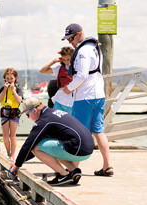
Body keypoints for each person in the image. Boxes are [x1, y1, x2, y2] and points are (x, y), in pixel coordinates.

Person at [61, 23, 114, 176]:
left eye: (71, 38)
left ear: (79, 34)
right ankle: (107, 166)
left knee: (78, 133)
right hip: (98, 94)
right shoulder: (94, 47)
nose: (70, 42)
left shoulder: (83, 50)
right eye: (68, 40)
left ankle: (73, 168)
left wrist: (68, 88)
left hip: (85, 96)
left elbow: (82, 75)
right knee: (98, 131)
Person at [9, 97, 94, 186]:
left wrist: (17, 165)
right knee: (49, 147)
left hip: (78, 148)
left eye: (27, 115)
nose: (27, 118)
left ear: (34, 110)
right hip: (87, 148)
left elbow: (29, 145)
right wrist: (18, 163)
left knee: (36, 148)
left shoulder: (44, 120)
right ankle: (73, 171)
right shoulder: (52, 113)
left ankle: (63, 175)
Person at [0, 68, 23, 160]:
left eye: (11, 78)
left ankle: (13, 155)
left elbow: (19, 101)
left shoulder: (18, 88)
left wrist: (13, 90)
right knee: (5, 136)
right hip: (5, 111)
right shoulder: (2, 88)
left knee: (12, 136)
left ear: (15, 78)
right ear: (5, 79)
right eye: (7, 78)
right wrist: (4, 89)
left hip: (14, 112)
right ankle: (8, 152)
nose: (9, 80)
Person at [39, 46, 75, 114]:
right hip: (59, 100)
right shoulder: (59, 68)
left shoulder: (77, 68)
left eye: (68, 59)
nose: (66, 62)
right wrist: (54, 61)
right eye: (64, 60)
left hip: (72, 102)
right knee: (57, 122)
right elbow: (42, 70)